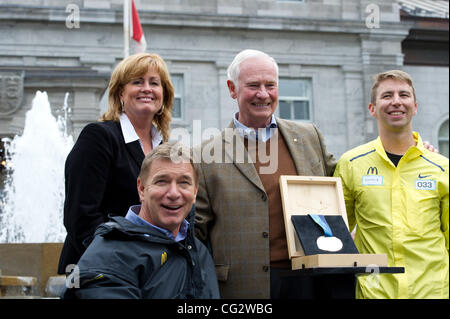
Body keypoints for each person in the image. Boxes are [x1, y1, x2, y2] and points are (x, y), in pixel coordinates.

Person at [194, 49, 336, 298]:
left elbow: (347, 181)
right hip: (240, 288)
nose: (263, 94)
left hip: (307, 281)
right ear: (232, 89)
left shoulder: (309, 137)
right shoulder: (205, 156)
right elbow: (195, 231)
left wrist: (415, 148)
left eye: (270, 85)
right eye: (253, 85)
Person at [333, 70, 449, 299]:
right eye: (387, 96)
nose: (396, 101)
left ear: (415, 106)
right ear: (372, 109)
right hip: (374, 293)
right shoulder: (351, 164)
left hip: (433, 293)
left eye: (403, 95)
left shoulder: (442, 168)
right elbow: (335, 233)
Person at [58, 53, 174, 274]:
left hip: (150, 269)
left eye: (154, 83)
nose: (147, 88)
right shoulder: (99, 137)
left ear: (163, 95)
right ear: (121, 93)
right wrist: (119, 262)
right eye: (137, 82)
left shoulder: (165, 147)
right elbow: (81, 217)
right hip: (100, 271)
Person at [61, 142, 220, 299]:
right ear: (141, 189)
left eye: (184, 182)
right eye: (162, 181)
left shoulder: (199, 251)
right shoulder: (109, 256)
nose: (173, 193)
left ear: (195, 192)